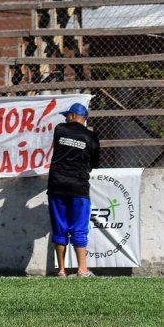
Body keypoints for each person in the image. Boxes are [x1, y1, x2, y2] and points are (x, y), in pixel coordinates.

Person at [47, 103, 100, 277]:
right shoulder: (92, 137)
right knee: (79, 227)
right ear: (84, 118)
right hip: (78, 187)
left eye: (66, 116)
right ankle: (82, 269)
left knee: (59, 228)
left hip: (56, 185)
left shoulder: (60, 129)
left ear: (71, 116)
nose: (64, 119)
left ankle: (61, 271)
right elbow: (94, 165)